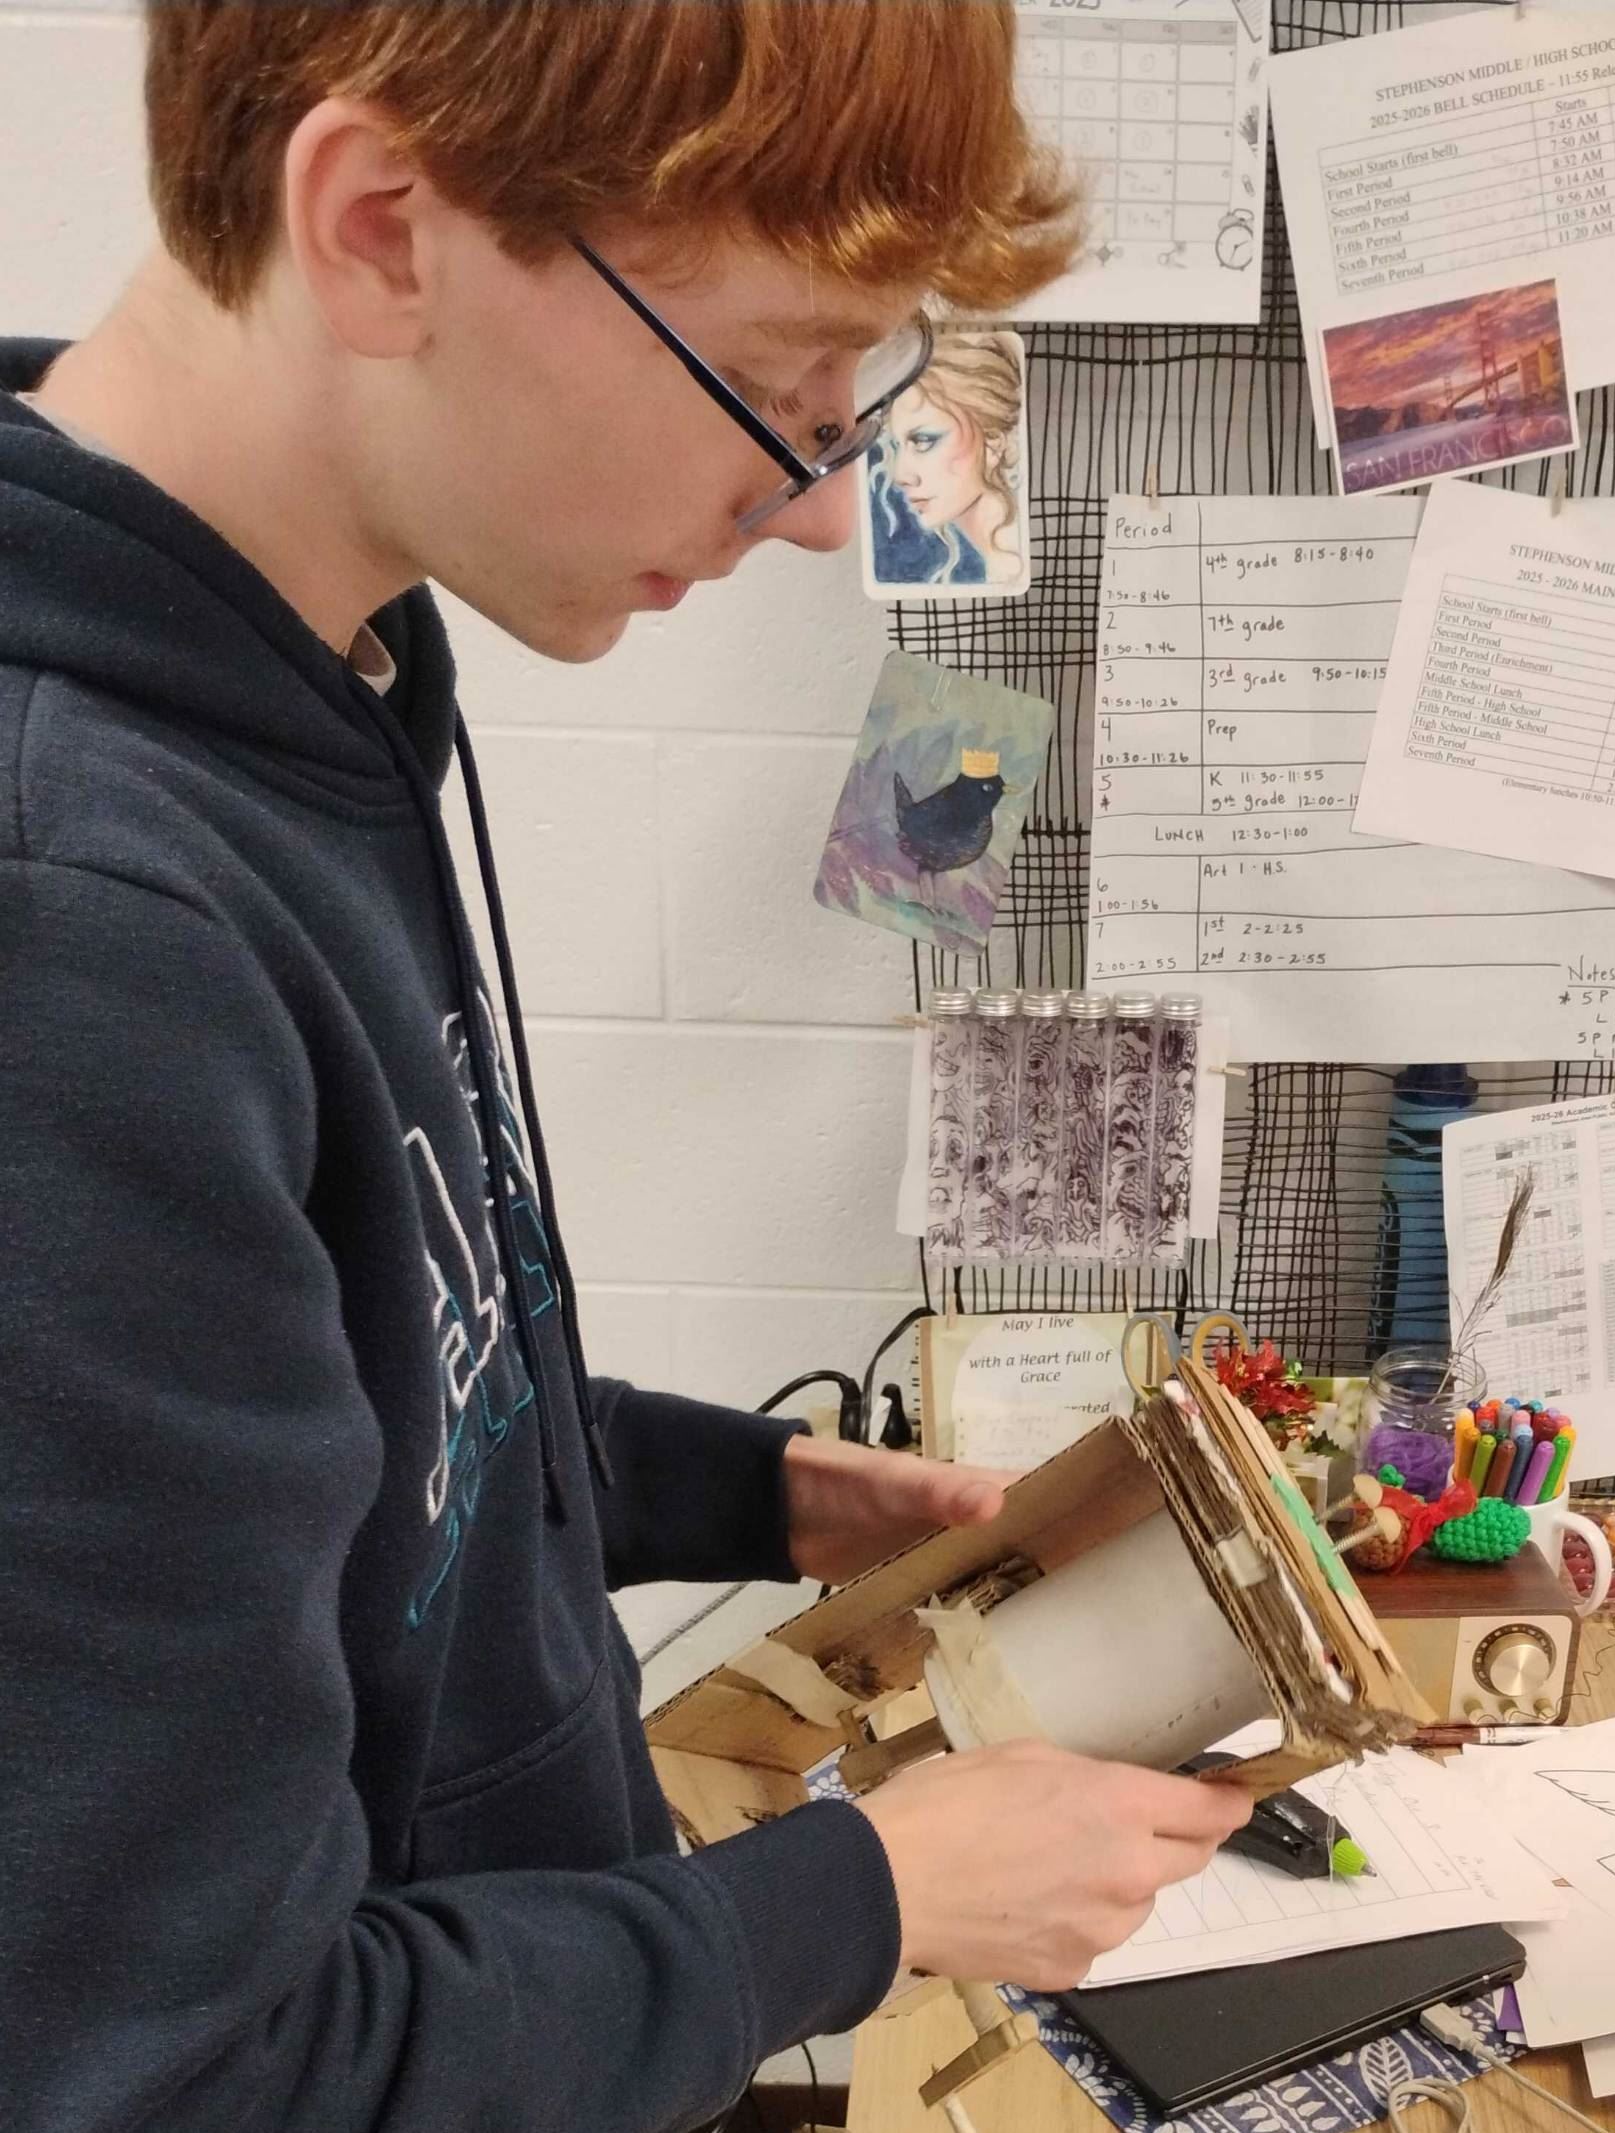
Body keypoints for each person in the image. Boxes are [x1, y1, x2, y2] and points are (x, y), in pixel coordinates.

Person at [0, 6, 1251, 2131]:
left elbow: (373, 1408)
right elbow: (188, 2075)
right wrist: (860, 1898)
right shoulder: (80, 937)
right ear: (381, 226)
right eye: (773, 377)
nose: (816, 506)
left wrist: (746, 1490)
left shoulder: (317, 679)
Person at [872, 331, 1028, 587]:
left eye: (923, 441)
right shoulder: (991, 567)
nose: (900, 476)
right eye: (897, 446)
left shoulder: (1010, 565)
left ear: (993, 444)